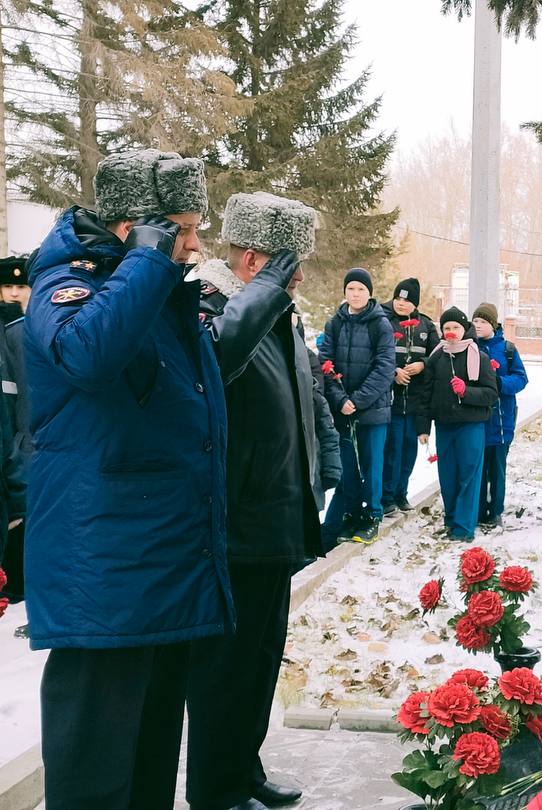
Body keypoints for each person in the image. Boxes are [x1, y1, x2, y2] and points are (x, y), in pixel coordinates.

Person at [23, 149, 233, 809]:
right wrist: (150, 260)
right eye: (183, 229)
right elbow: (86, 354)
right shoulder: (67, 283)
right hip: (104, 584)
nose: (196, 245)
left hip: (160, 573)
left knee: (145, 780)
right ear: (133, 230)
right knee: (95, 782)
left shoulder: (156, 290)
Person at [186, 192, 341, 810]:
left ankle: (243, 768)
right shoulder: (211, 310)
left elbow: (304, 407)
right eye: (289, 264)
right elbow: (216, 372)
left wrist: (321, 471)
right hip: (237, 523)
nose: (299, 277)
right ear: (253, 260)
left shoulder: (279, 317)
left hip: (275, 520)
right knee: (226, 670)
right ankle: (215, 789)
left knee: (259, 665)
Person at [319, 268, 395, 544]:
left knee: (372, 465)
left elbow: (385, 368)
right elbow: (325, 363)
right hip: (343, 411)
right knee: (347, 467)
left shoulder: (380, 324)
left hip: (372, 410)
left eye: (361, 289)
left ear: (369, 293)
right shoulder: (335, 323)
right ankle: (350, 515)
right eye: (351, 288)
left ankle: (372, 515)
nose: (355, 294)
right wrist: (340, 399)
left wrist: (357, 400)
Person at [417, 307, 498, 541]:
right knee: (448, 476)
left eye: (455, 327)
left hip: (470, 426)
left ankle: (464, 528)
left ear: (465, 330)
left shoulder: (478, 357)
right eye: (447, 328)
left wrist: (466, 392)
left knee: (468, 476)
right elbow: (426, 394)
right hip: (444, 426)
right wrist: (423, 427)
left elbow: (491, 394)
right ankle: (451, 522)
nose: (451, 332)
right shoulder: (436, 357)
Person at [381, 277, 439, 515]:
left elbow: (438, 355)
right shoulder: (383, 320)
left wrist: (422, 365)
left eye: (406, 300)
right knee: (391, 451)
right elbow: (376, 355)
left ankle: (400, 494)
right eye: (397, 298)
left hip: (415, 402)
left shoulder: (425, 326)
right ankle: (386, 497)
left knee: (408, 451)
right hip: (391, 401)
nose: (401, 303)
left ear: (415, 304)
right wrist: (393, 372)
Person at [471, 302, 528, 530]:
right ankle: (476, 510)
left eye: (482, 322)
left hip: (501, 420)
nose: (478, 325)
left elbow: (521, 378)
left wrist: (500, 383)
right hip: (474, 420)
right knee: (477, 469)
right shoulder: (469, 347)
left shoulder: (507, 350)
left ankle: (495, 511)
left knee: (496, 470)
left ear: (492, 324)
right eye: (475, 321)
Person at [0, 256, 29, 611]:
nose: (13, 293)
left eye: (20, 286)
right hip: (14, 449)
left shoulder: (30, 329)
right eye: (7, 286)